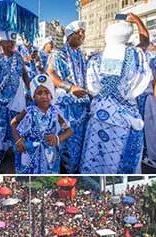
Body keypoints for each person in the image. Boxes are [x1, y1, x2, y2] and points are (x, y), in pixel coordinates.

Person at [80, 16, 152, 173]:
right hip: (126, 119)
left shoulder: (95, 58)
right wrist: (137, 21)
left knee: (96, 155)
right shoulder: (135, 55)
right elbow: (146, 41)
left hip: (99, 116)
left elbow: (92, 88)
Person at [47, 20, 90, 173]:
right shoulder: (59, 53)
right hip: (66, 108)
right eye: (78, 32)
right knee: (64, 142)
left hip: (81, 107)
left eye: (83, 32)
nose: (82, 35)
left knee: (78, 142)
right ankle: (63, 171)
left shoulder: (81, 55)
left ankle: (74, 169)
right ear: (69, 35)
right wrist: (70, 87)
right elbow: (50, 73)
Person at [0, 31, 30, 170]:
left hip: (16, 99)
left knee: (17, 126)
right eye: (8, 42)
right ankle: (1, 151)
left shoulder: (18, 56)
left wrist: (30, 90)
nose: (12, 44)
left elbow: (24, 73)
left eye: (13, 42)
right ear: (0, 43)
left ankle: (17, 148)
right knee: (0, 128)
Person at [12, 74, 73, 173]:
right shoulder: (28, 111)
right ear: (33, 96)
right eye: (39, 93)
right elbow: (13, 122)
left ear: (52, 95)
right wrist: (18, 140)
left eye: (47, 92)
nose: (44, 96)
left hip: (49, 153)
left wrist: (57, 138)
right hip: (29, 150)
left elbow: (69, 131)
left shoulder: (56, 113)